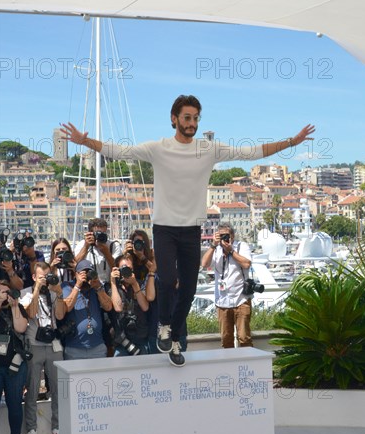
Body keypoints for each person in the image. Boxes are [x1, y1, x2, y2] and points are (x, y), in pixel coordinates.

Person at [61, 95, 315, 367]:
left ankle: (172, 333)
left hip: (192, 230)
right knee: (168, 280)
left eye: (196, 118)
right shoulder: (159, 148)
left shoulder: (208, 149)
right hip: (165, 228)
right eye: (187, 117)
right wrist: (84, 141)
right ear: (174, 119)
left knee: (190, 289)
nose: (192, 123)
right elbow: (121, 152)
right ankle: (164, 325)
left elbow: (250, 152)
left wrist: (291, 142)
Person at [20, 262, 67, 434]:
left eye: (47, 276)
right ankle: (31, 429)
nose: (45, 279)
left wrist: (60, 294)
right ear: (34, 277)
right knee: (32, 388)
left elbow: (61, 316)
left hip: (53, 345)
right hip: (34, 345)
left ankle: (57, 426)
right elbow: (30, 313)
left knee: (57, 387)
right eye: (41, 276)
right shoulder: (26, 293)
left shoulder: (53, 293)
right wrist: (37, 289)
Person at [202, 223, 253, 349]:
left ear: (233, 236)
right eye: (222, 235)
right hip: (222, 301)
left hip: (241, 299)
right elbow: (204, 264)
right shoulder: (216, 250)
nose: (225, 238)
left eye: (227, 235)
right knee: (226, 338)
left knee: (244, 337)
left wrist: (231, 251)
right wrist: (213, 245)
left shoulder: (241, 246)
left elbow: (246, 264)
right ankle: (230, 367)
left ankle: (249, 365)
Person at [0, 280, 29, 434]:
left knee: (15, 403)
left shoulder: (18, 307)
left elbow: (21, 328)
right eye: (0, 292)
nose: (4, 295)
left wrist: (14, 306)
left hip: (15, 364)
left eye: (7, 292)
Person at [61, 260, 113, 360]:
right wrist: (78, 285)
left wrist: (98, 287)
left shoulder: (96, 287)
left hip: (97, 346)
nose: (86, 275)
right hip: (74, 347)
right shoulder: (67, 286)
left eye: (89, 272)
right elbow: (67, 307)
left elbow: (108, 307)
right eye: (83, 272)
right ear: (76, 274)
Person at [108, 254, 153, 356]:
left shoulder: (140, 284)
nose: (126, 271)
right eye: (123, 268)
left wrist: (135, 285)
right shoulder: (113, 287)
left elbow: (145, 307)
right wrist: (113, 282)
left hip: (141, 338)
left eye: (129, 268)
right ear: (117, 271)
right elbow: (118, 307)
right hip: (122, 341)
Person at [74, 218, 122, 283]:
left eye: (104, 233)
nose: (101, 236)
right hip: (89, 284)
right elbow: (74, 265)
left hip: (108, 284)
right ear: (91, 233)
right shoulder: (82, 245)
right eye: (98, 233)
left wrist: (106, 252)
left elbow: (117, 268)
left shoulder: (114, 246)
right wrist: (86, 247)